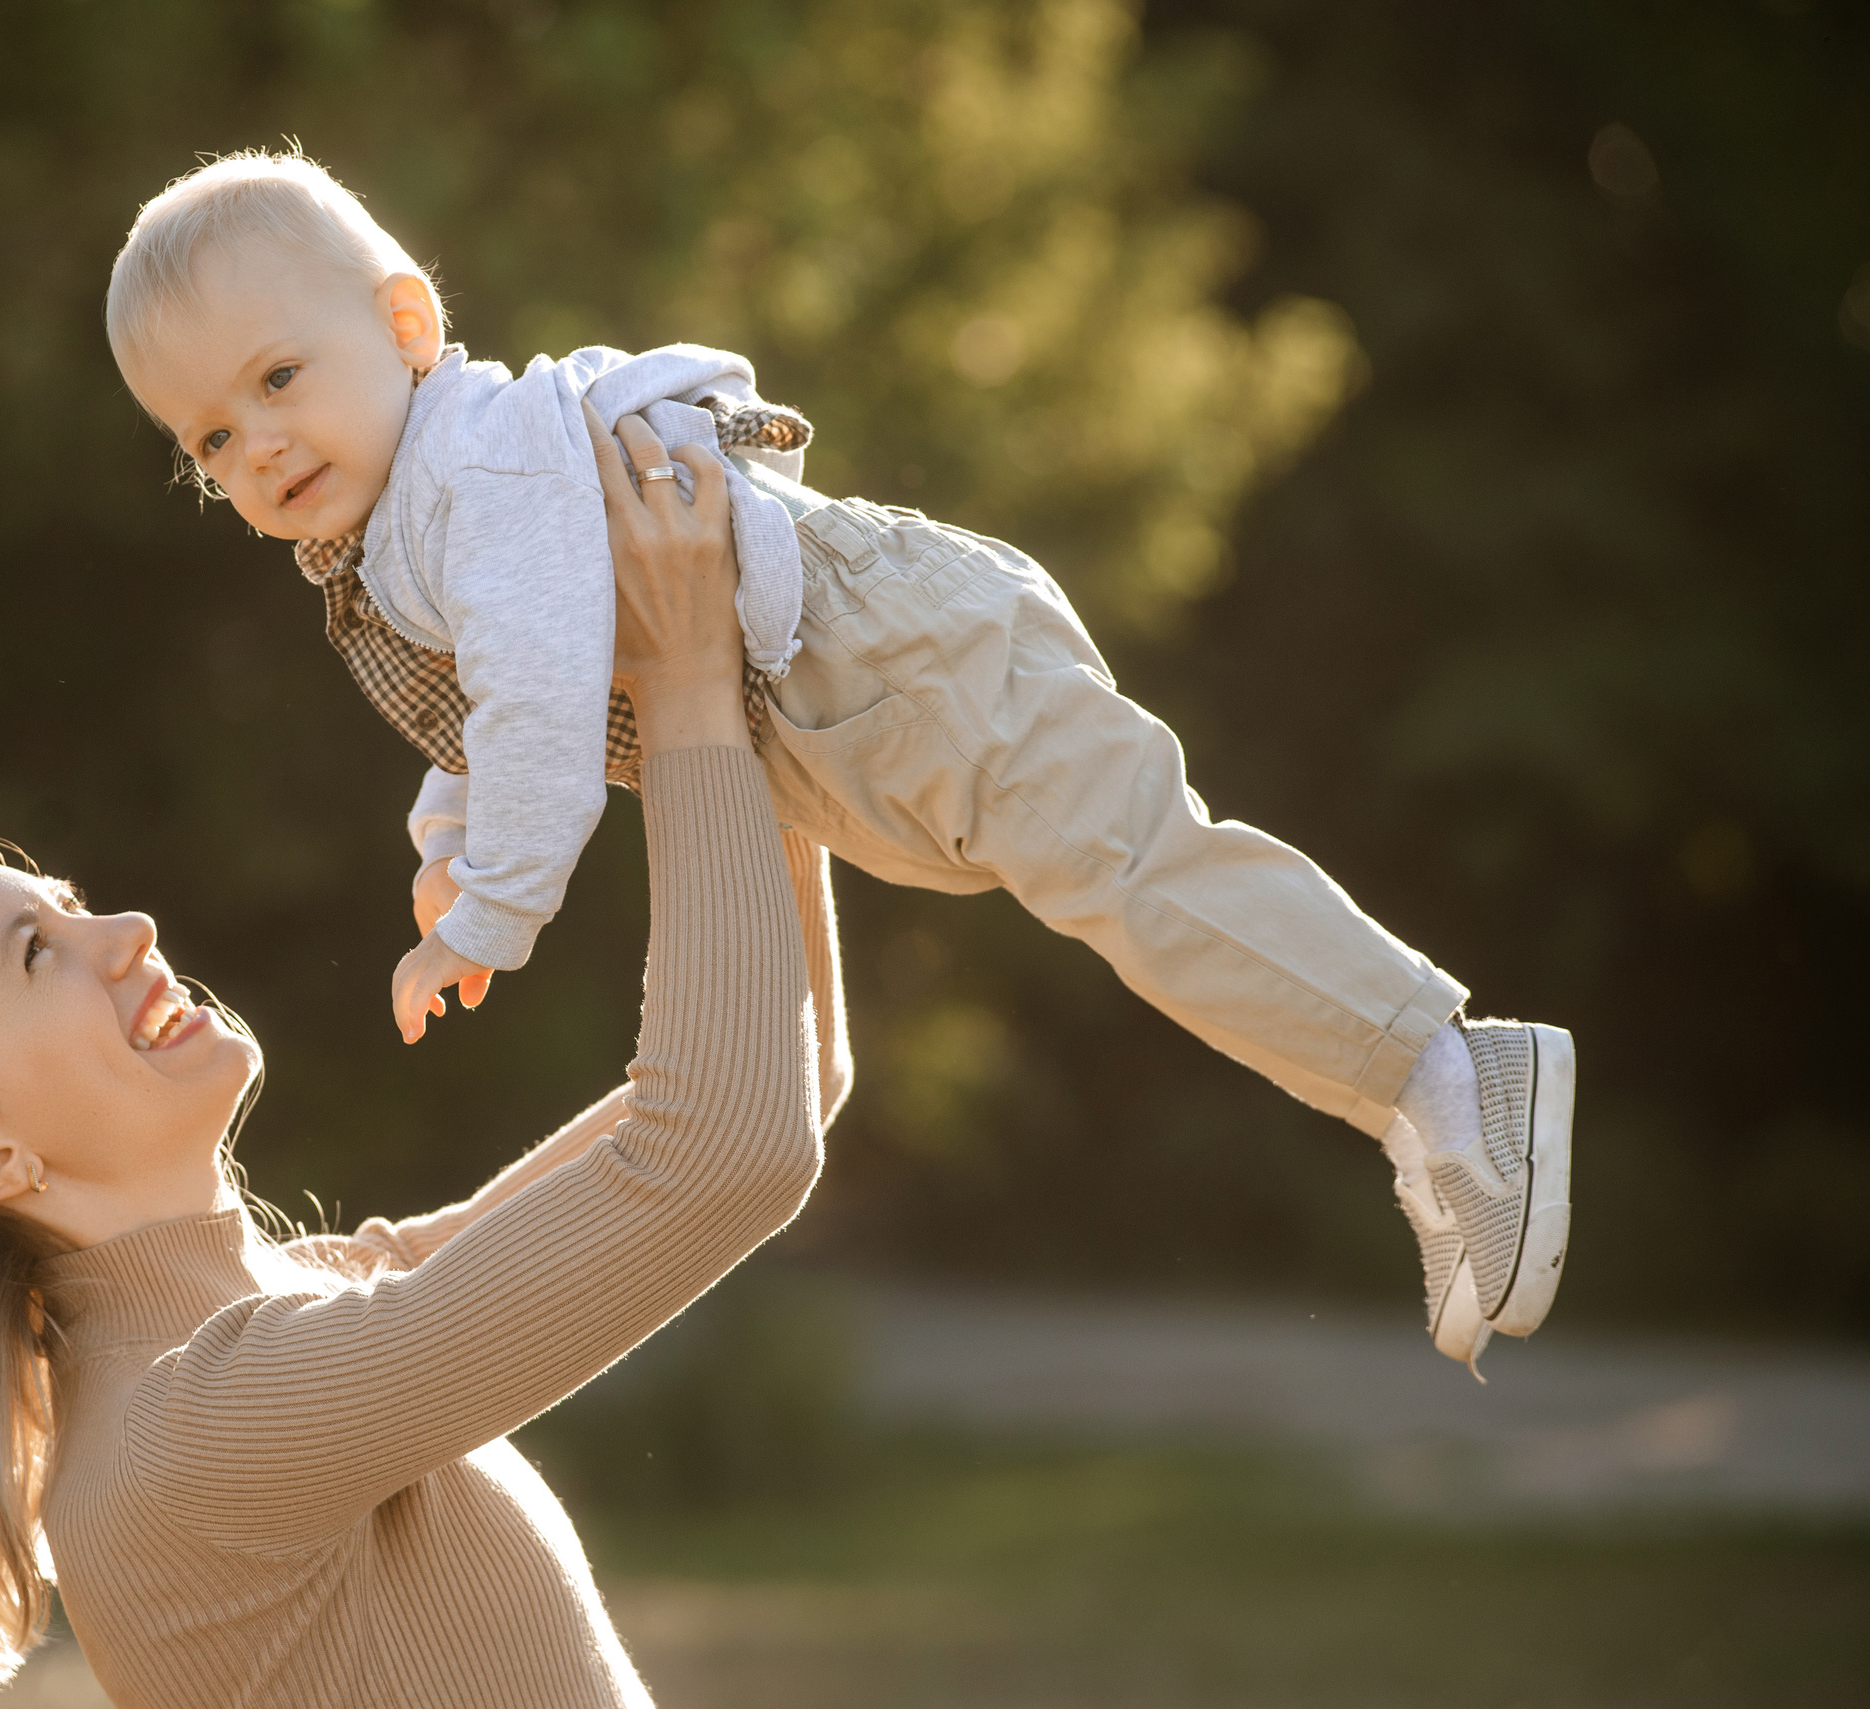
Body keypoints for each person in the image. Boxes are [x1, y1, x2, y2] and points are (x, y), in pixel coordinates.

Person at [99, 149, 1573, 1370]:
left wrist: (489, 908)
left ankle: (1446, 1080)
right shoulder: (413, 512)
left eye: (282, 378)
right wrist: (449, 836)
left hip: (888, 655)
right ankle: (1420, 1096)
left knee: (1138, 874)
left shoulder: (471, 476)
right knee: (1001, 964)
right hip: (830, 714)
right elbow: (504, 694)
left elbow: (542, 701)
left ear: (409, 325)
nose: (260, 448)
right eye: (212, 438)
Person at [0, 423, 848, 1709]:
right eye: (34, 952)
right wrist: (684, 681)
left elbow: (784, 1072)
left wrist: (730, 686)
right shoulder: (201, 1428)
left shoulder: (297, 1308)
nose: (124, 933)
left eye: (66, 901)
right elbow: (728, 1144)